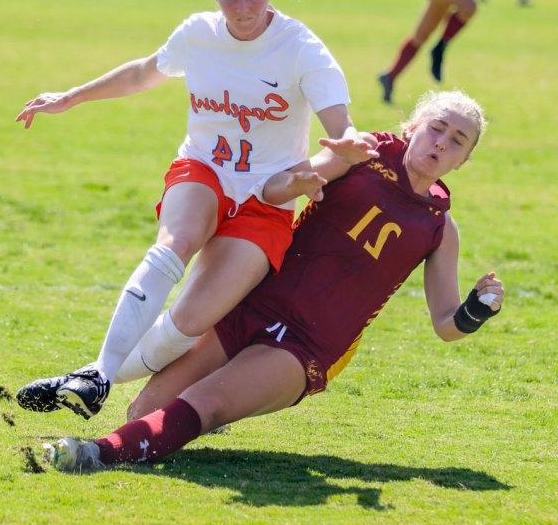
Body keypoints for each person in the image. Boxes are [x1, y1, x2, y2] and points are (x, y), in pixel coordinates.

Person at [15, 0, 378, 420]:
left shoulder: (302, 49)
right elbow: (145, 72)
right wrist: (71, 97)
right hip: (202, 169)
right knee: (175, 241)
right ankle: (100, 373)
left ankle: (89, 376)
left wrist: (325, 161)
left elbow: (342, 133)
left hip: (268, 199)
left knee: (189, 322)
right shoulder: (198, 34)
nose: (244, 9)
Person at [39, 89, 505, 474]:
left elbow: (446, 324)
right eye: (437, 127)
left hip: (307, 346)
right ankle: (164, 404)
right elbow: (273, 189)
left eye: (458, 140)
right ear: (413, 127)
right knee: (144, 412)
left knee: (206, 401)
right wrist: (303, 180)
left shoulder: (440, 228)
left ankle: (93, 454)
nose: (442, 142)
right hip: (255, 303)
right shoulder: (359, 152)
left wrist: (476, 309)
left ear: (462, 161)